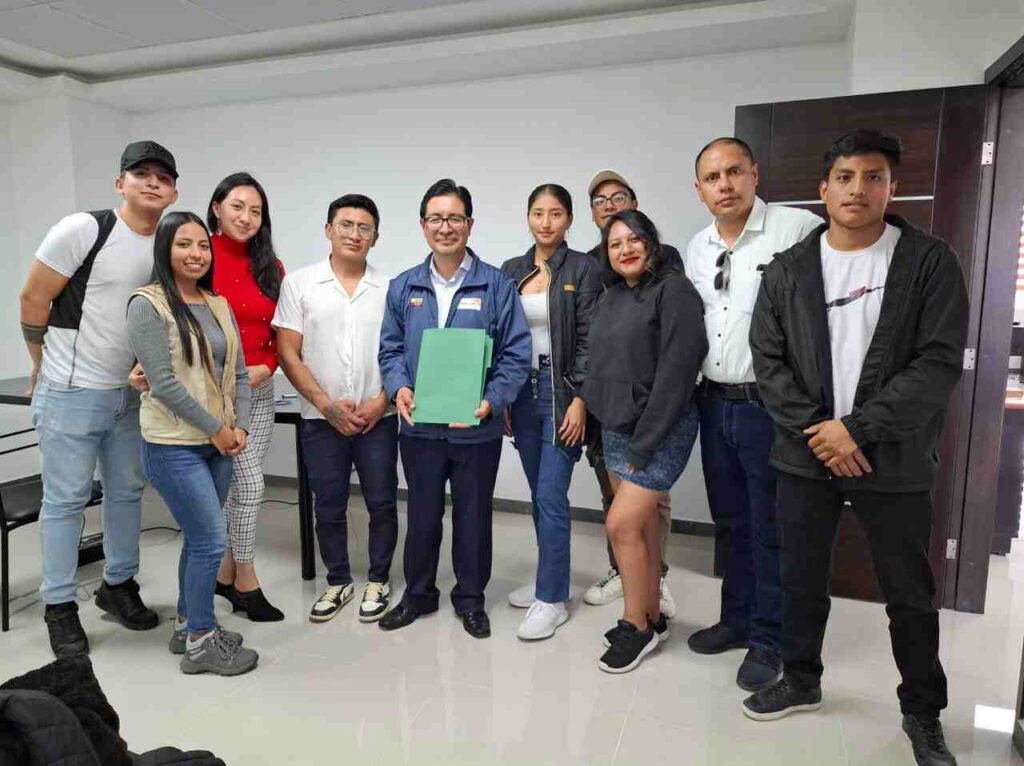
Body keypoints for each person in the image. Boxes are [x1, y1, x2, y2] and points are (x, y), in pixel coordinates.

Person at [747, 130, 966, 766]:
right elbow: (769, 361)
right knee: (800, 577)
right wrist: (823, 430)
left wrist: (858, 428)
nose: (858, 189)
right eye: (845, 177)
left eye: (873, 177)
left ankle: (922, 713)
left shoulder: (928, 262)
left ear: (891, 188)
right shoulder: (788, 269)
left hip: (890, 457)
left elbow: (937, 363)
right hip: (805, 454)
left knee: (908, 591)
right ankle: (802, 678)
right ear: (823, 189)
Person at [20, 141, 178, 657]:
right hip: (72, 390)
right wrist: (39, 362)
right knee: (65, 502)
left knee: (127, 494)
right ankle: (60, 607)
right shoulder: (85, 229)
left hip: (129, 395)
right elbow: (34, 296)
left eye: (162, 177)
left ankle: (118, 585)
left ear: (174, 190)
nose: (152, 183)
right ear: (120, 183)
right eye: (141, 174)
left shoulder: (165, 245)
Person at [683, 138, 823, 691]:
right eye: (712, 178)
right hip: (714, 404)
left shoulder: (796, 230)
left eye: (733, 172)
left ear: (754, 174)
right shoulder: (697, 247)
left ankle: (771, 638)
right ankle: (736, 619)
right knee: (731, 523)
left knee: (770, 528)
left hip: (769, 408)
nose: (725, 185)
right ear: (699, 190)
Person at [378, 179, 531, 638]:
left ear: (470, 224)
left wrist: (492, 401)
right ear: (423, 225)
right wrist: (399, 387)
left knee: (473, 515)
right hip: (421, 427)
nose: (445, 227)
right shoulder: (404, 286)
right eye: (436, 218)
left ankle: (470, 599)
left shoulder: (497, 285)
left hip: (475, 428)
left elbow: (516, 353)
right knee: (421, 514)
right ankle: (418, 595)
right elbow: (389, 351)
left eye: (455, 218)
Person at [127, 211, 259, 677]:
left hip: (220, 443)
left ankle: (187, 623)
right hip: (173, 443)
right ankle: (203, 642)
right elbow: (161, 382)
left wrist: (238, 425)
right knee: (209, 540)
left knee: (200, 538)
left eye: (202, 246)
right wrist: (216, 429)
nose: (195, 254)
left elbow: (238, 374)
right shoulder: (148, 304)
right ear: (165, 249)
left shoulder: (217, 303)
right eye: (184, 245)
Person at [581, 210, 706, 673]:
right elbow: (601, 362)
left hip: (659, 430)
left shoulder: (674, 292)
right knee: (645, 528)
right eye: (615, 245)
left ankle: (635, 626)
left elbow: (677, 377)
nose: (626, 249)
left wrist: (642, 446)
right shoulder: (613, 297)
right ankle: (652, 614)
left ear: (651, 243)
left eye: (634, 240)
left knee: (621, 526)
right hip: (617, 428)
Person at [274, 194, 399, 624]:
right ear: (328, 230)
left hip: (377, 419)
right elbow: (288, 352)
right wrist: (326, 405)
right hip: (319, 418)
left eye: (364, 228)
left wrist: (382, 400)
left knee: (382, 502)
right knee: (328, 503)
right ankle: (338, 580)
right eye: (345, 225)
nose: (354, 234)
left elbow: (404, 351)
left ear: (375, 238)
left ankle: (379, 579)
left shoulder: (391, 288)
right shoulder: (300, 285)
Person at [499, 184, 601, 640]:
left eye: (555, 213)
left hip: (561, 396)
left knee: (551, 495)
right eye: (538, 213)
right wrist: (500, 396)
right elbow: (501, 338)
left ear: (569, 219)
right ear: (527, 217)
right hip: (521, 395)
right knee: (538, 497)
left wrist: (581, 399)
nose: (546, 222)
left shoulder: (584, 267)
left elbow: (590, 341)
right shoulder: (512, 270)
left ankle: (552, 598)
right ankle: (550, 584)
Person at [582, 169, 680, 616]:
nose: (609, 205)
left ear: (635, 202)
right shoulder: (592, 264)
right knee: (614, 498)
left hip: (650, 410)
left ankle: (653, 584)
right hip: (608, 408)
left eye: (618, 197)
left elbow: (672, 348)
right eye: (600, 201)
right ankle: (626, 574)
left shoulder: (667, 265)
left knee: (646, 504)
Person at [207, 172, 286, 622]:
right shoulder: (201, 256)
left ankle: (224, 573)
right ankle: (246, 581)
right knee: (246, 485)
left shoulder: (270, 267)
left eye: (255, 211)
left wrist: (270, 364)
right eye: (238, 206)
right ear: (217, 207)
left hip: (261, 391)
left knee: (245, 487)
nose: (246, 217)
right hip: (216, 399)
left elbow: (282, 332)